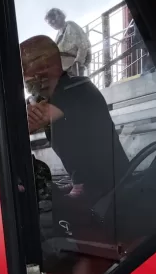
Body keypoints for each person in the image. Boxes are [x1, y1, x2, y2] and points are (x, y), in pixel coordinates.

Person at [20, 35, 128, 210]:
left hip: (109, 187)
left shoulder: (77, 89)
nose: (25, 81)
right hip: (90, 183)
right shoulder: (52, 96)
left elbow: (28, 125)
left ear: (43, 69)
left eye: (25, 73)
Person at [45, 8, 91, 77]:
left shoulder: (71, 26)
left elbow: (83, 44)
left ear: (59, 16)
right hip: (62, 71)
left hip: (72, 68)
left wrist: (78, 63)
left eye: (53, 20)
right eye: (50, 23)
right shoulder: (59, 34)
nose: (52, 24)